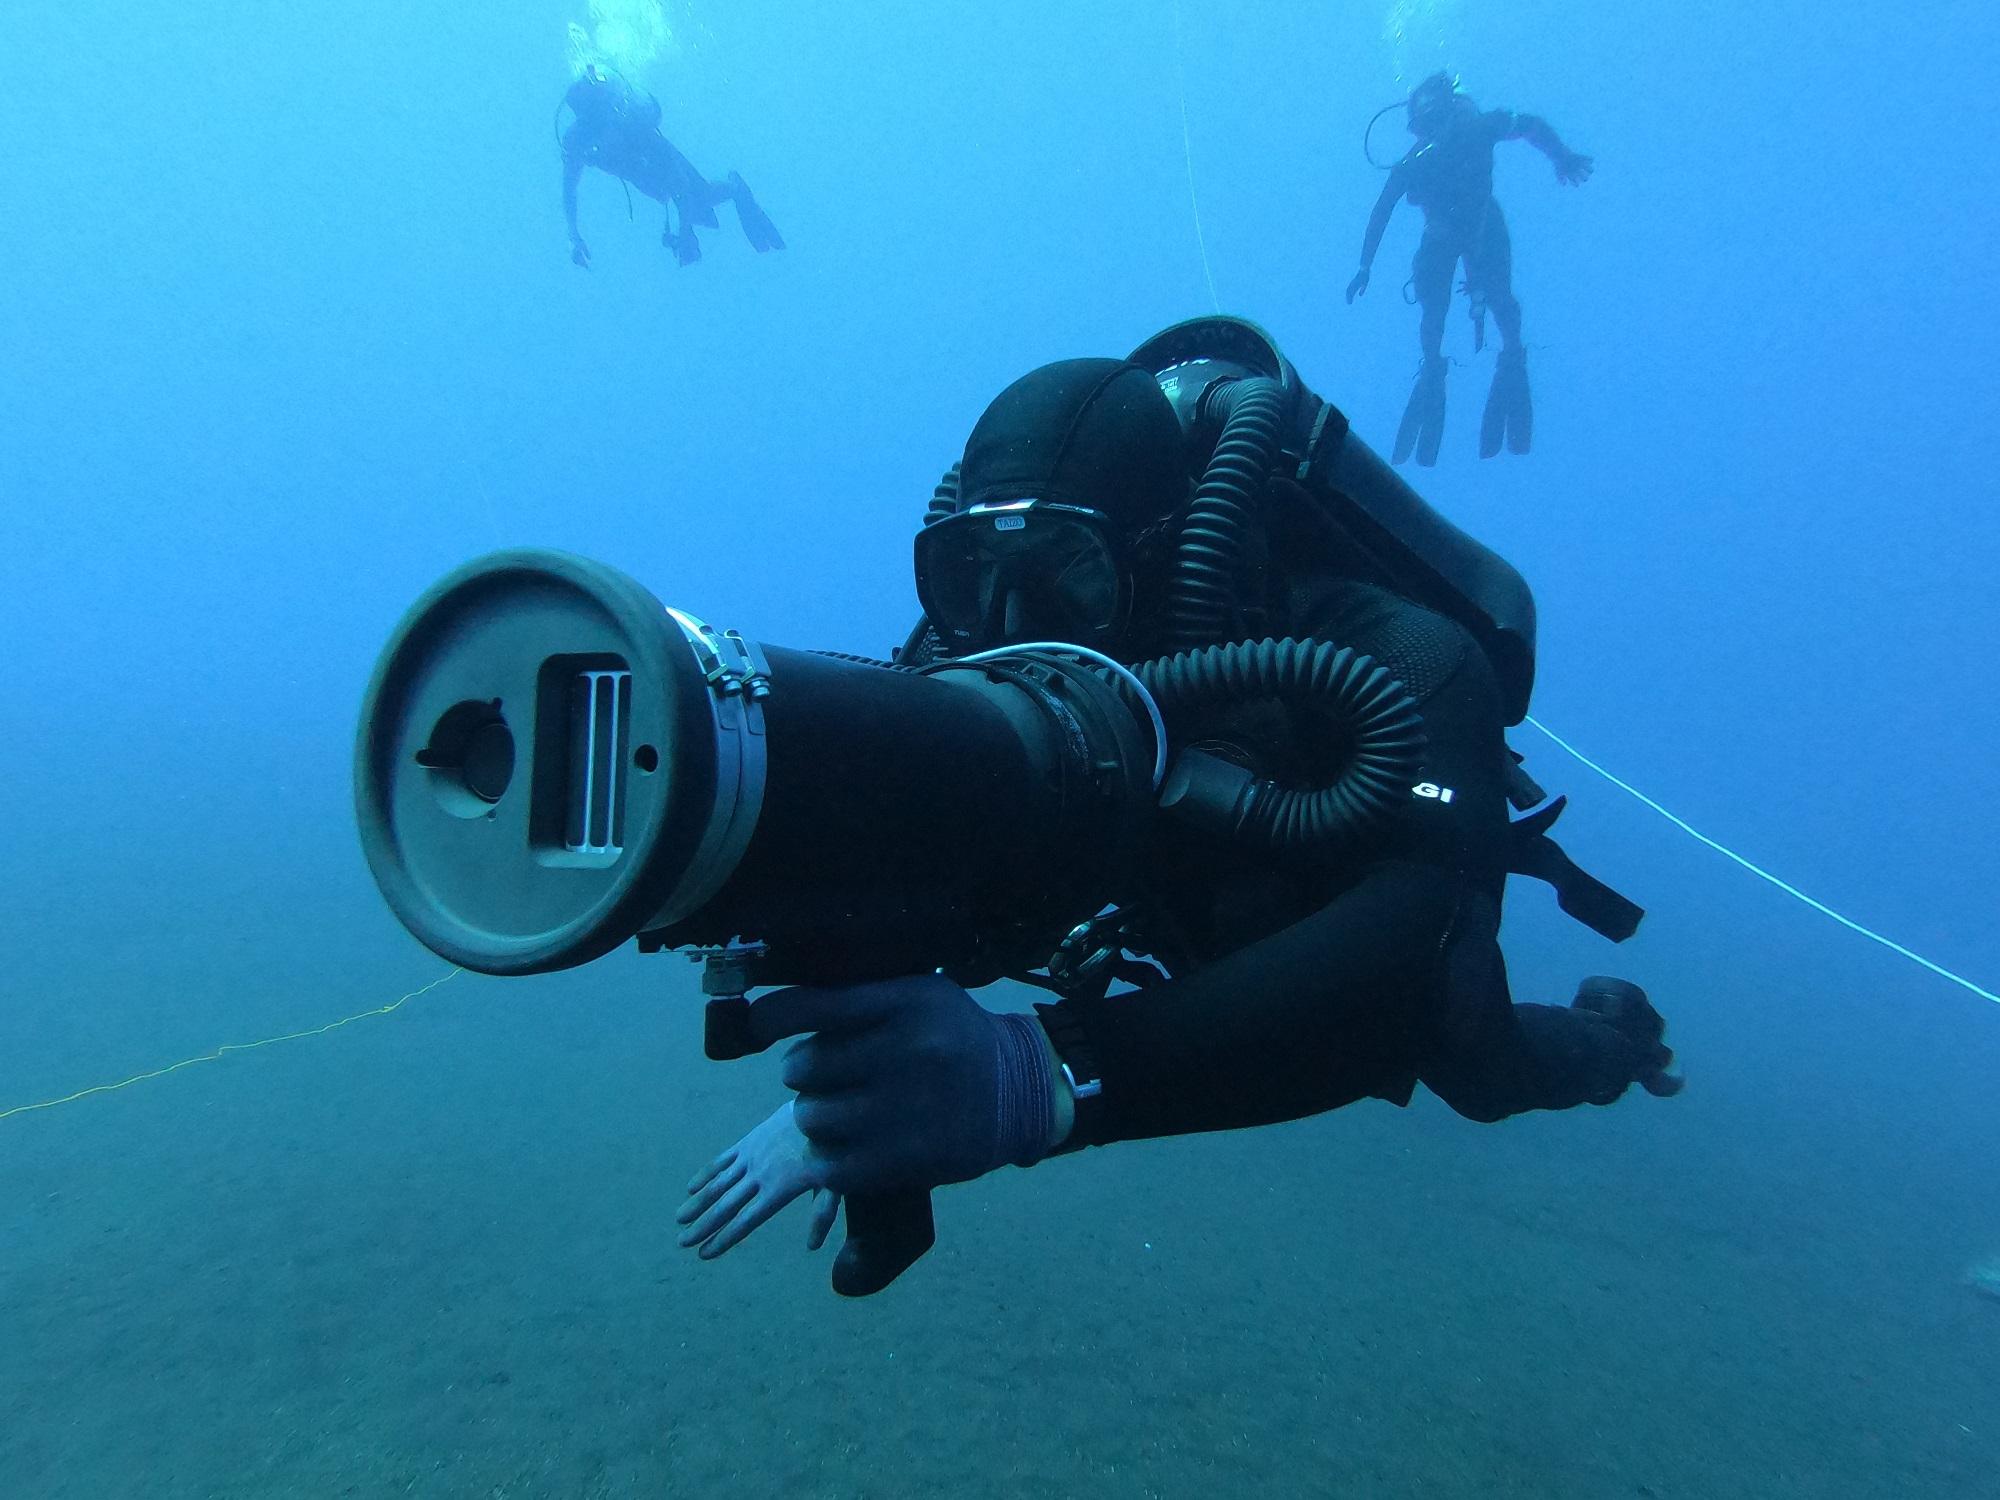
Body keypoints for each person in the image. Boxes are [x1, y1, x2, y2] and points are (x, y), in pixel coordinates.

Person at [677, 329, 1680, 1283]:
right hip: (1166, 907)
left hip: (1332, 905)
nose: (1013, 623)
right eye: (972, 573)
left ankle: (1616, 1038)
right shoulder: (971, 642)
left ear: (1160, 553)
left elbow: (1413, 929)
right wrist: (864, 1078)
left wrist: (1038, 1077)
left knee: (1472, 1062)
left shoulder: (1399, 653)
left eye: (1069, 571)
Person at [1344, 73, 1593, 466]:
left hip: (1479, 227)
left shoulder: (1479, 127)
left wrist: (1562, 157)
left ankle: (1506, 358)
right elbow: (1383, 208)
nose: (1434, 133)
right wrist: (1364, 265)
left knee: (1499, 302)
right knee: (1435, 312)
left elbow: (1530, 126)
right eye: (1425, 127)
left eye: (1436, 121)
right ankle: (1437, 368)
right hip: (1448, 234)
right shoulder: (1420, 158)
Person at [559, 63, 785, 270]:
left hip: (664, 163)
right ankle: (733, 191)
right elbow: (569, 187)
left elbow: (679, 182)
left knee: (701, 199)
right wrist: (573, 236)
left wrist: (685, 231)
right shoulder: (579, 139)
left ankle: (736, 188)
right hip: (648, 176)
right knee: (689, 201)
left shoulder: (633, 126)